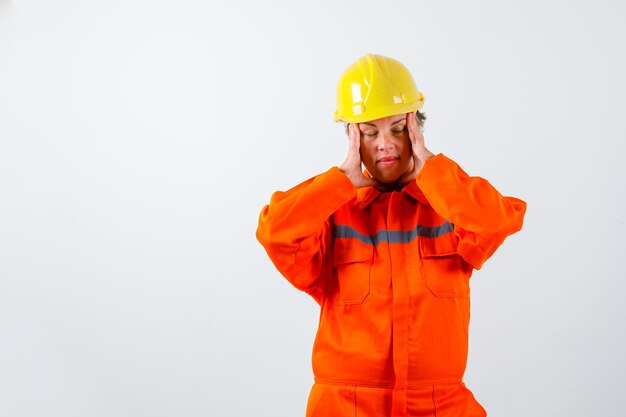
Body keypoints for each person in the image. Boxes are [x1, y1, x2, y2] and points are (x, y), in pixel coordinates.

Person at [256, 53, 526, 417]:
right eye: (370, 131)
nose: (385, 143)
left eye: (398, 129)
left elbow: (497, 220)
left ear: (417, 128)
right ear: (352, 135)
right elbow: (274, 232)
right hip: (346, 406)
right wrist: (338, 182)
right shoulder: (333, 212)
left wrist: (432, 170)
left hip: (439, 404)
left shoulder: (448, 206)